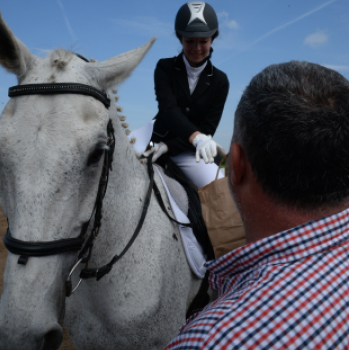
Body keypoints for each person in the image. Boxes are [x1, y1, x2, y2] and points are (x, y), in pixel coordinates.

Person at [163, 61, 349, 349]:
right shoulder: (168, 71)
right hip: (171, 144)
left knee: (212, 193)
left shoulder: (206, 341)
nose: (196, 47)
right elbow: (168, 109)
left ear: (235, 164)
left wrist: (199, 138)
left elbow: (203, 119)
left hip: (196, 149)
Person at [143, 1, 229, 188]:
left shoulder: (220, 81)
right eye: (190, 41)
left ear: (212, 39)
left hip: (189, 151)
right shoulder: (164, 68)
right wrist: (196, 137)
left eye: (203, 41)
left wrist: (171, 147)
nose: (197, 48)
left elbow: (208, 127)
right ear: (180, 38)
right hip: (155, 143)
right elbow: (168, 109)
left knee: (220, 187)